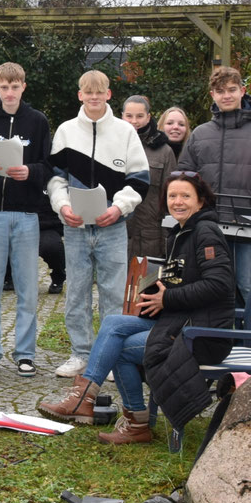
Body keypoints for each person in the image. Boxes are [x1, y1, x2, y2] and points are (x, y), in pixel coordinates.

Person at [38, 170, 235, 445]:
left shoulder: (206, 232)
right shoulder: (181, 231)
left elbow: (219, 285)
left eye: (185, 196)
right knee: (113, 324)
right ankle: (85, 398)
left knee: (118, 348)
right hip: (180, 321)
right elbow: (183, 282)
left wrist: (167, 299)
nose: (178, 202)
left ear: (201, 201)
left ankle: (131, 421)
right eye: (172, 196)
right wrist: (153, 294)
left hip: (202, 332)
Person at [46, 70, 151, 379]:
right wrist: (62, 206)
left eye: (100, 91)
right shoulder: (66, 131)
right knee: (76, 291)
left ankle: (109, 357)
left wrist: (119, 208)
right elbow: (55, 178)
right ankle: (80, 354)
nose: (94, 96)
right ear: (80, 94)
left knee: (114, 294)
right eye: (87, 91)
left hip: (113, 226)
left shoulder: (125, 132)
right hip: (75, 227)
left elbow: (140, 180)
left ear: (108, 95)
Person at [0, 63, 51, 377]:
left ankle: (25, 353)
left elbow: (49, 165)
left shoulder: (38, 121)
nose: (10, 92)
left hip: (27, 214)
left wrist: (31, 173)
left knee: (28, 289)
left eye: (15, 87)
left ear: (24, 87)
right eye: (4, 87)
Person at [177, 66, 251, 306]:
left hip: (248, 225)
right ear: (212, 94)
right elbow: (184, 178)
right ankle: (214, 340)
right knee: (209, 284)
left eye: (232, 89)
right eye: (220, 91)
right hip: (208, 226)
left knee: (246, 284)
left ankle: (249, 341)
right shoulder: (200, 134)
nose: (227, 95)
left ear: (243, 91)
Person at [121, 95, 176, 263]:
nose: (134, 121)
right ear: (122, 116)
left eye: (139, 116)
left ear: (148, 117)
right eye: (129, 116)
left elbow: (171, 194)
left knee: (147, 285)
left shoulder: (164, 151)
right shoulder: (111, 145)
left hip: (150, 232)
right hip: (118, 229)